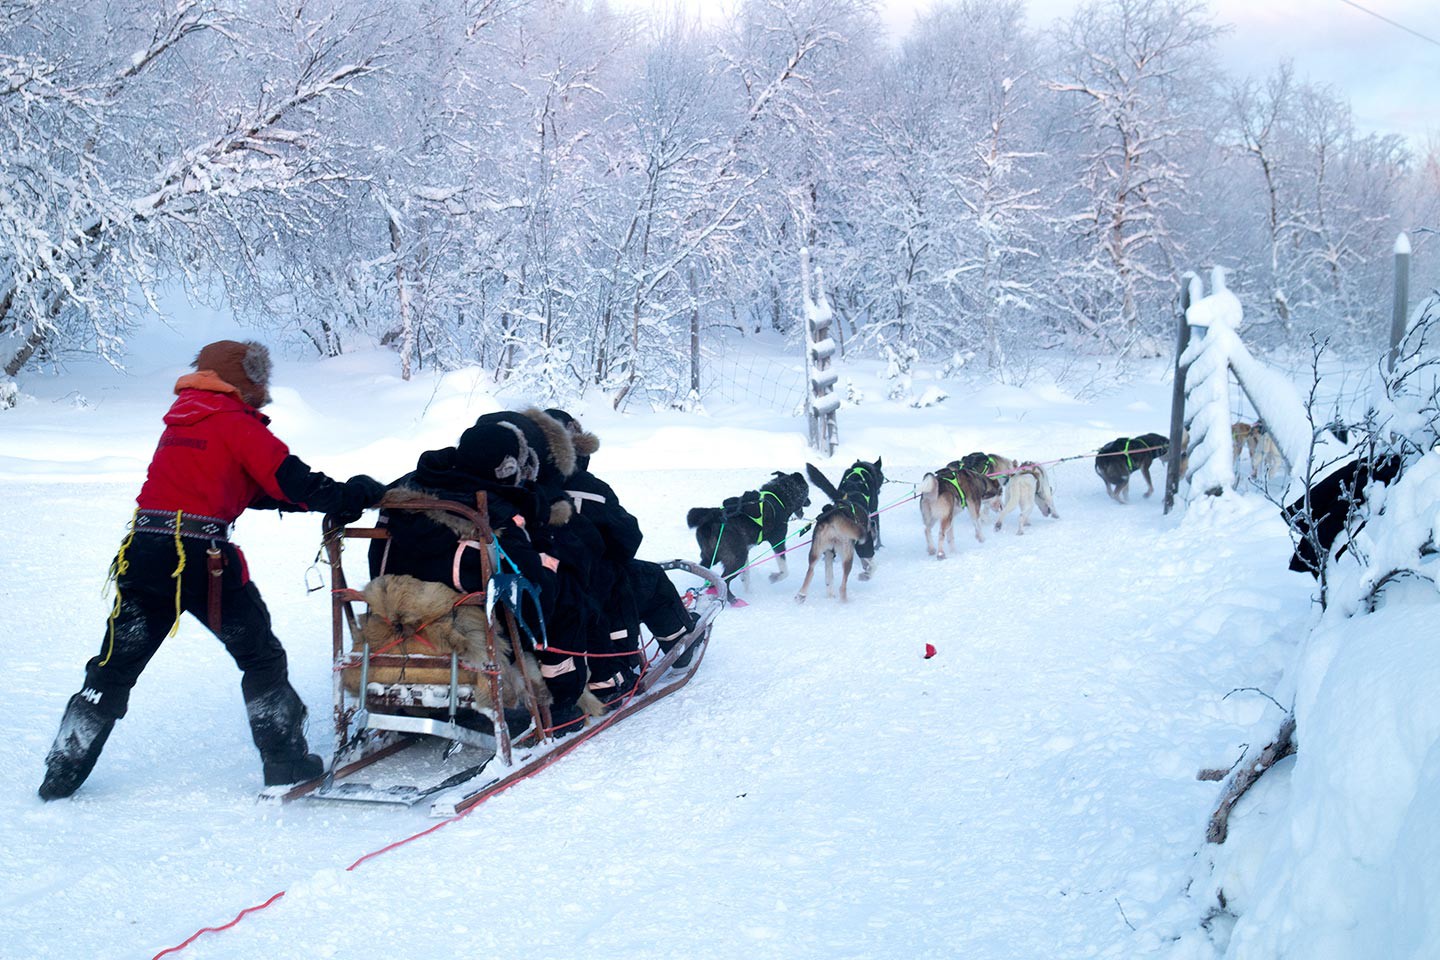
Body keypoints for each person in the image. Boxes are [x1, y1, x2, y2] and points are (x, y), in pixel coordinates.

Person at [39, 340, 387, 800]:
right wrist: (349, 496)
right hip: (203, 562)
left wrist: (321, 498)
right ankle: (284, 761)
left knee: (113, 667)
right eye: (260, 378)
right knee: (260, 656)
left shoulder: (182, 421)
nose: (265, 388)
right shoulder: (236, 424)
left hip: (142, 554)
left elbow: (245, 486)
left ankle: (62, 771)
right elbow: (291, 481)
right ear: (245, 379)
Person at [368, 417, 593, 736]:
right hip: (468, 628)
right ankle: (561, 706)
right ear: (508, 467)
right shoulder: (491, 513)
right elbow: (532, 600)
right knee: (558, 592)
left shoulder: (405, 494)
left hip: (398, 613)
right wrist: (549, 568)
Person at [543, 409, 702, 680]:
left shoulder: (521, 485)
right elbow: (627, 541)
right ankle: (680, 645)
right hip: (592, 588)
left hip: (542, 586)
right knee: (650, 577)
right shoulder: (589, 488)